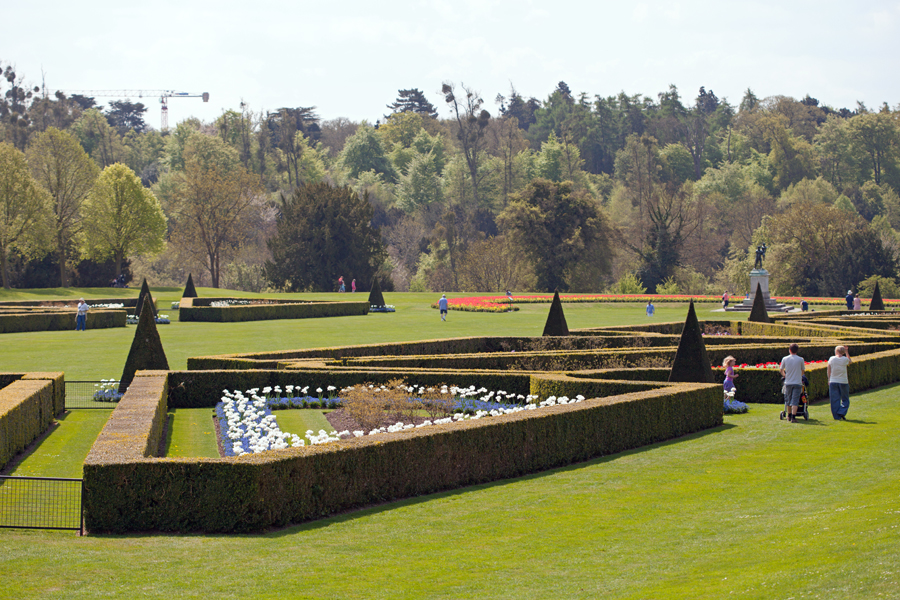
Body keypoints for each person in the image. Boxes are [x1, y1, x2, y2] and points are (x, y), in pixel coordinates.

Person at [780, 343, 806, 423]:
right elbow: (803, 370)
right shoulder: (800, 359)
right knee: (795, 400)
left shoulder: (785, 358)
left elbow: (781, 370)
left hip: (788, 382)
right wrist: (799, 376)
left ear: (789, 350)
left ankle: (789, 415)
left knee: (788, 399)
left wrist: (785, 375)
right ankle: (793, 417)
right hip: (797, 382)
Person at [828, 345, 852, 420]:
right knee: (845, 399)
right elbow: (850, 361)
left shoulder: (832, 358)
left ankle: (836, 416)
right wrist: (847, 352)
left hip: (833, 380)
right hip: (843, 381)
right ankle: (841, 411)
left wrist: (829, 379)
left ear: (836, 351)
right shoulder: (845, 359)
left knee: (834, 399)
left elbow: (828, 369)